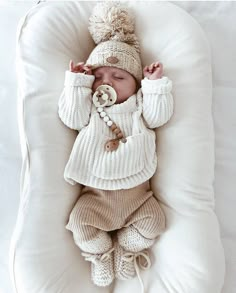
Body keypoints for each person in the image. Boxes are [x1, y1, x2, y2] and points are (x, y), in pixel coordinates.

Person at [58, 2, 174, 288]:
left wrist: (155, 86)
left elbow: (160, 117)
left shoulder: (138, 108)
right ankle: (101, 254)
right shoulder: (90, 108)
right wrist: (77, 83)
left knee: (154, 223)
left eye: (118, 77)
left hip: (139, 197)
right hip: (95, 195)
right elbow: (70, 118)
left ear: (134, 84)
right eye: (98, 77)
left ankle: (127, 249)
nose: (105, 82)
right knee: (80, 223)